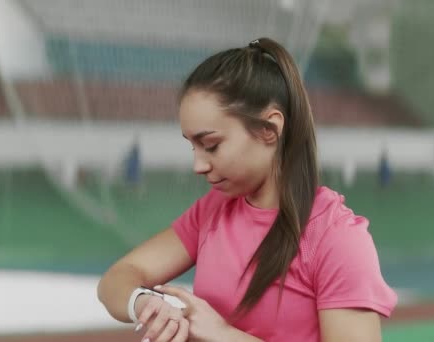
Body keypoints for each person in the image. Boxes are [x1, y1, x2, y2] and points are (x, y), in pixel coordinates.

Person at [97, 37, 397, 342]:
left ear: (269, 129)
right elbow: (117, 278)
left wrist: (226, 335)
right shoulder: (212, 211)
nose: (198, 165)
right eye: (193, 147)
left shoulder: (336, 237)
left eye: (211, 145)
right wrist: (146, 304)